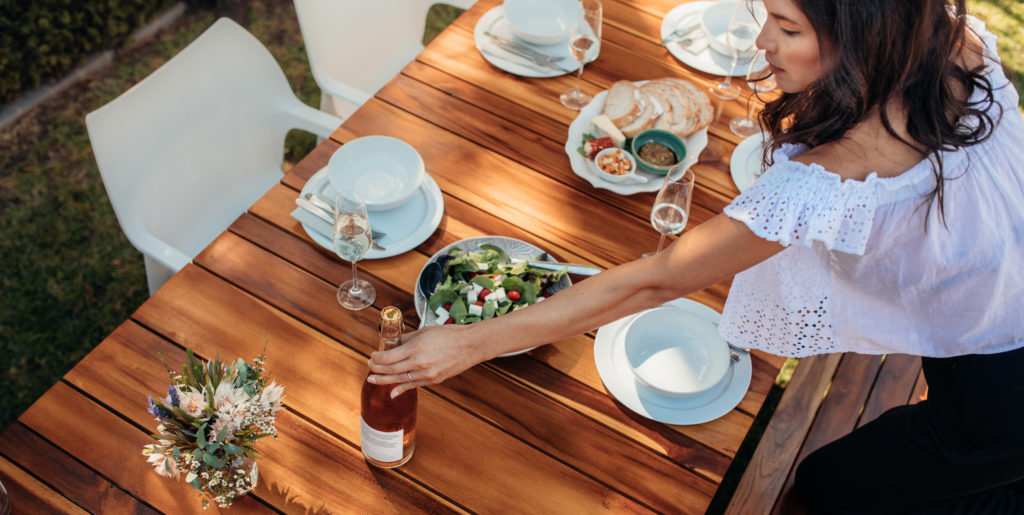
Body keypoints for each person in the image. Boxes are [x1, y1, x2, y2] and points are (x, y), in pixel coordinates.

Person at [369, 0, 1024, 511]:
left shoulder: (835, 175)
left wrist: (472, 342)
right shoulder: (943, 41)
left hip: (998, 392)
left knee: (828, 489)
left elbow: (652, 283)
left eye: (787, 28)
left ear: (859, 40)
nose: (762, 41)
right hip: (992, 320)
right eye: (765, 15)